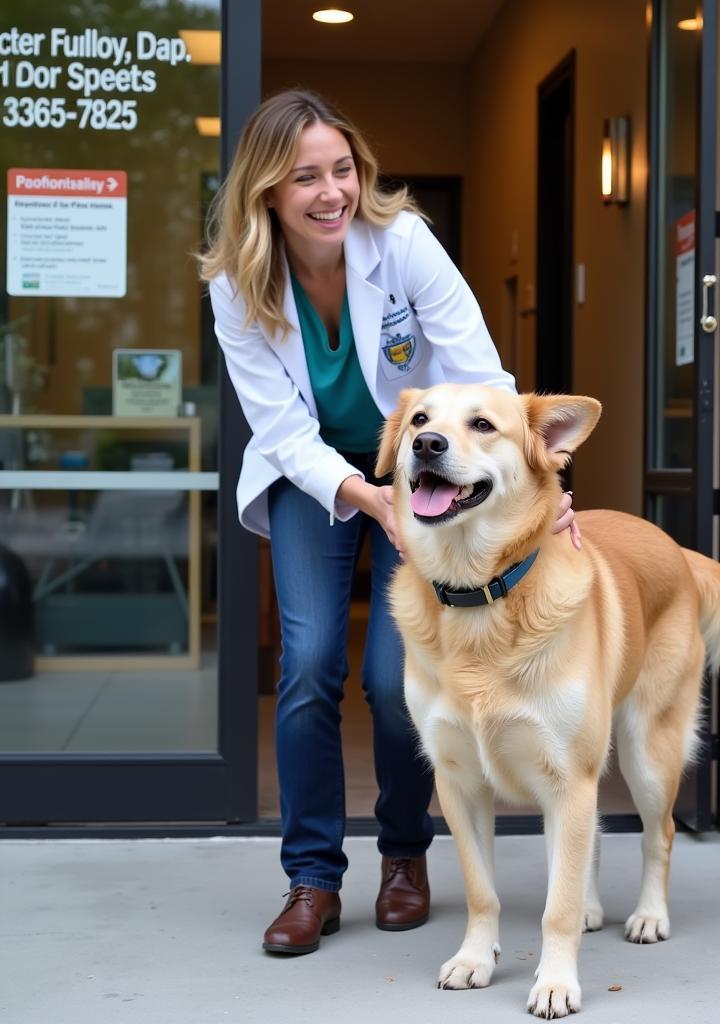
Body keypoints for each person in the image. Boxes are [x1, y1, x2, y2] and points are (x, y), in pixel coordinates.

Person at [199, 89, 579, 955]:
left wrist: (543, 493)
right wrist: (365, 495)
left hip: (428, 472)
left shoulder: (401, 243)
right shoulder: (238, 281)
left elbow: (481, 376)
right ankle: (312, 879)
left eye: (342, 170)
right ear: (266, 190)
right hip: (315, 479)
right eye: (306, 178)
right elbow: (282, 426)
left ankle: (405, 855)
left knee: (398, 675)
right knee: (309, 664)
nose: (331, 192)